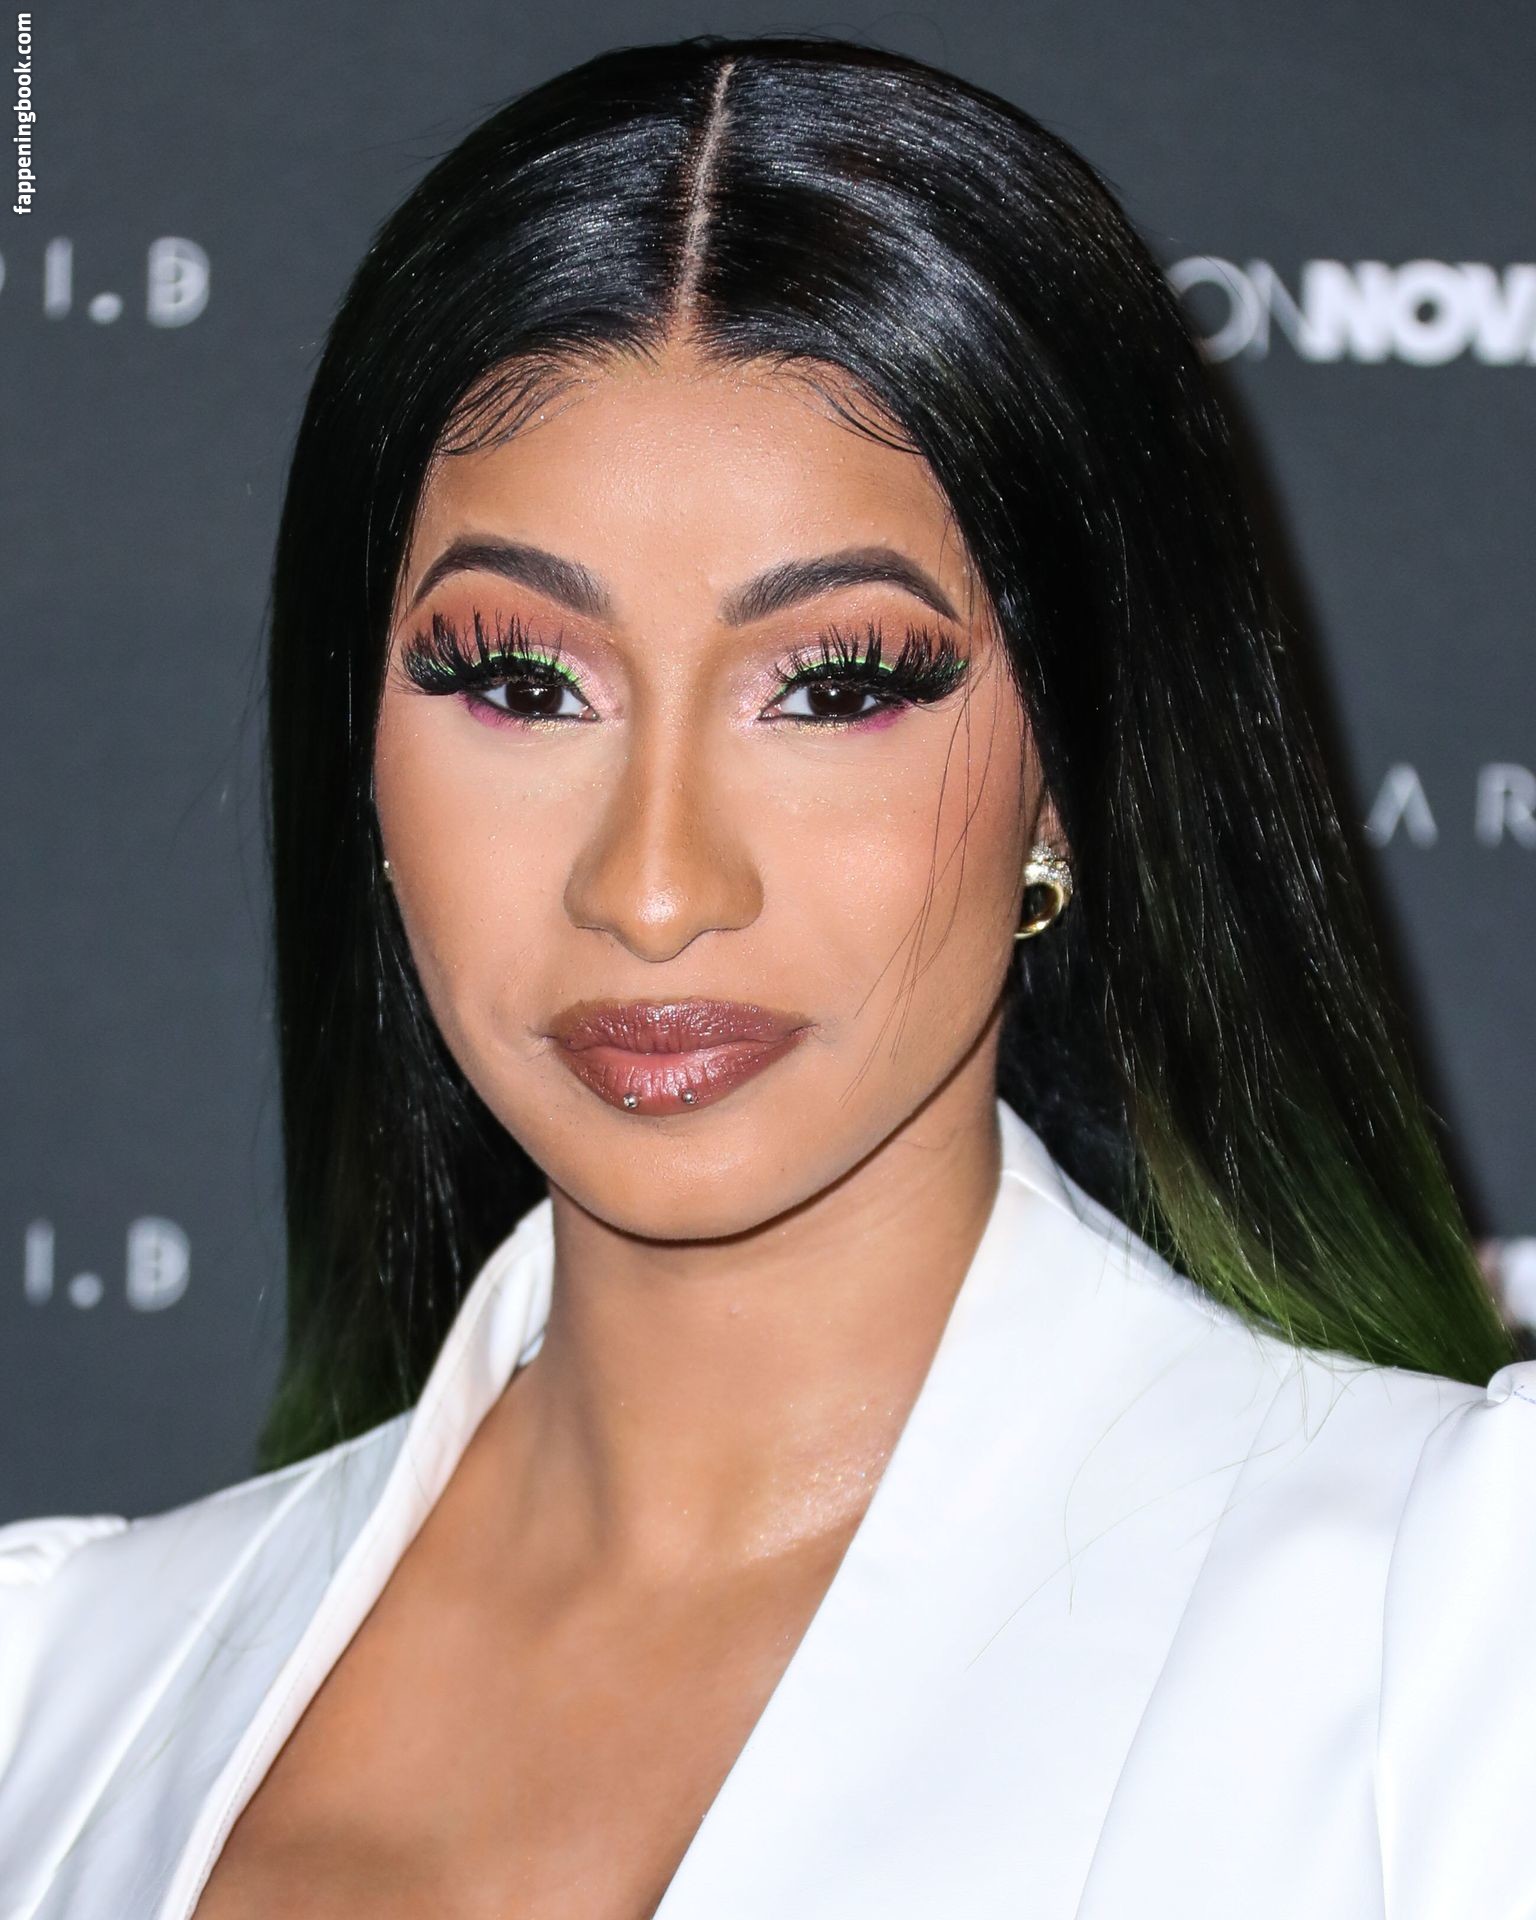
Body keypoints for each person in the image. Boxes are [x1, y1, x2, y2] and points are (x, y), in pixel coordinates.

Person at [1, 31, 1532, 1920]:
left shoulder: (1444, 1652)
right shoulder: (57, 1698)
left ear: (1073, 767)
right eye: (520, 682)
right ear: (363, 751)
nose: (655, 888)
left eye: (836, 688)